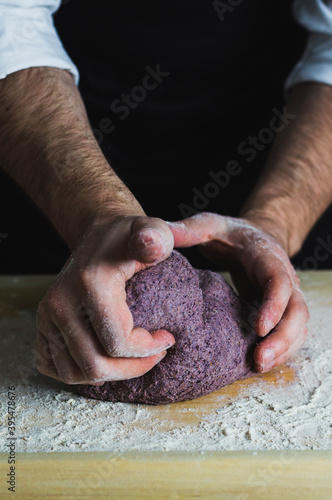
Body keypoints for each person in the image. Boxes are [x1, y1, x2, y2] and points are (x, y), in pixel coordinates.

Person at [0, 0, 331, 387]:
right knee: (84, 326)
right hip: (56, 167)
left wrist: (274, 222)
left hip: (266, 145)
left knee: (264, 310)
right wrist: (98, 215)